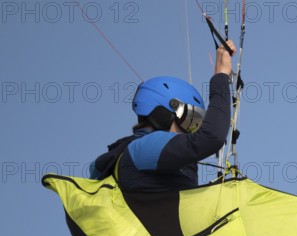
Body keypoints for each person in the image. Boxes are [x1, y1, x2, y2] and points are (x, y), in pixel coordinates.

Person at [89, 40, 237, 192]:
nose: (190, 131)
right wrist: (221, 76)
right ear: (163, 113)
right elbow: (211, 138)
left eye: (196, 125)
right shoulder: (142, 148)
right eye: (189, 120)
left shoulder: (156, 160)